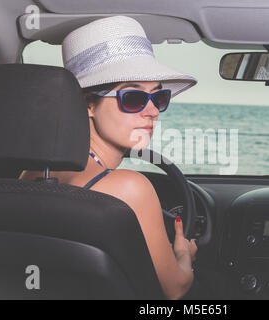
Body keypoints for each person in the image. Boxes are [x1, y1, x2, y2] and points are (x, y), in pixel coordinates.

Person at [19, 16, 198, 300]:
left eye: (159, 98)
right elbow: (175, 290)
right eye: (133, 99)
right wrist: (182, 254)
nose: (152, 112)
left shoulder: (28, 175)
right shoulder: (131, 188)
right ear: (88, 103)